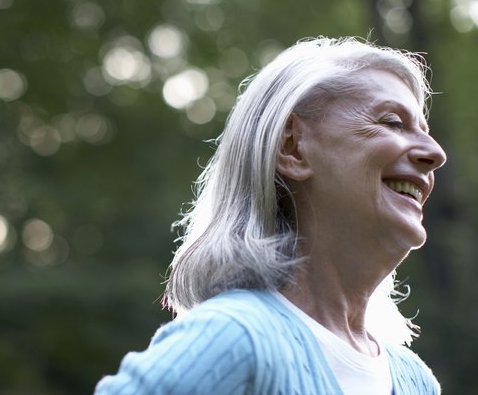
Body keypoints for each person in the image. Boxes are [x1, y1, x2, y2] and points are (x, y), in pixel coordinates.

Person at [96, 37, 447, 394]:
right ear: (292, 147)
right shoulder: (233, 340)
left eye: (425, 131)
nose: (435, 154)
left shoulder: (415, 382)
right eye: (392, 122)